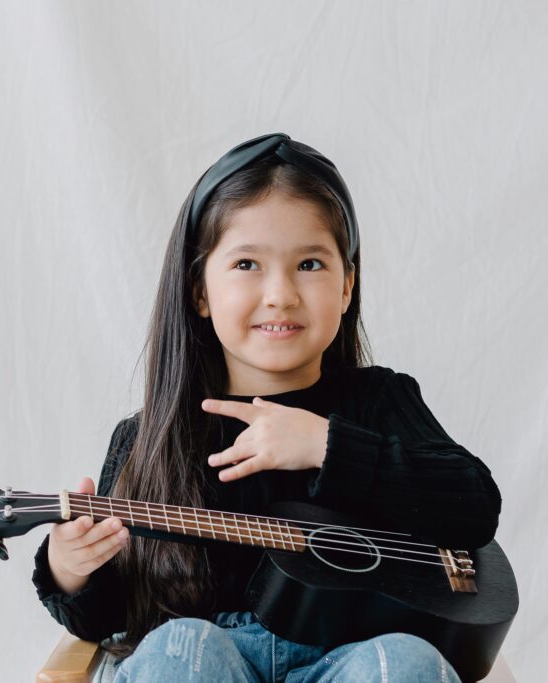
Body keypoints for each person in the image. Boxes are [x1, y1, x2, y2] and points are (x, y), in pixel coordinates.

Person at [31, 133, 502, 682]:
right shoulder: (151, 438)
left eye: (310, 264)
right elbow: (107, 619)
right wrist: (71, 571)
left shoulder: (378, 400)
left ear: (348, 287)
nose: (280, 293)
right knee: (178, 646)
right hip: (208, 661)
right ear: (199, 292)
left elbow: (473, 507)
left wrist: (327, 446)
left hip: (350, 656)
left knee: (405, 662)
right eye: (248, 264)